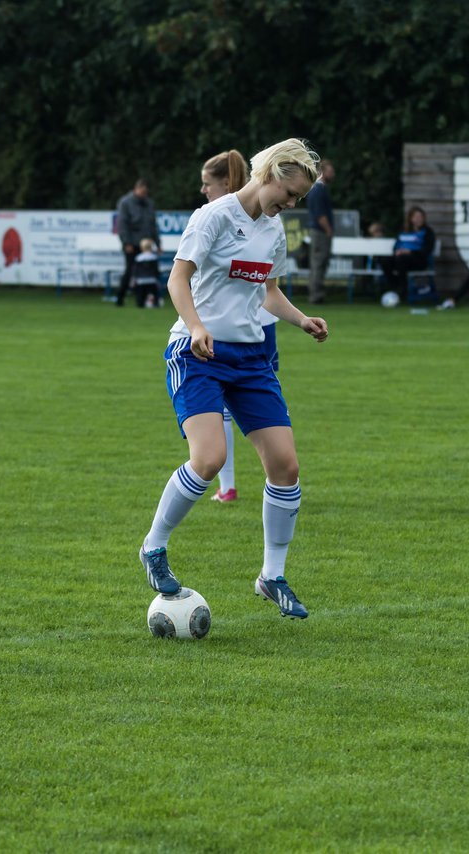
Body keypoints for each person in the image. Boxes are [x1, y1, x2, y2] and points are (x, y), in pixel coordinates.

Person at [139, 138, 328, 620]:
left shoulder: (273, 231)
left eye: (299, 199)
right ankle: (154, 547)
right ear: (267, 174)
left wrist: (301, 319)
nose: (290, 204)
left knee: (285, 466)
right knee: (209, 458)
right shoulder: (214, 217)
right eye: (289, 192)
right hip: (197, 352)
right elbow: (177, 280)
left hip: (249, 361)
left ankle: (272, 576)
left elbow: (268, 292)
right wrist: (198, 326)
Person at [197, 149, 277, 505]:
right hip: (256, 328)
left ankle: (231, 486)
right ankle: (232, 484)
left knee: (233, 411)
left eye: (206, 184)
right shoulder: (216, 216)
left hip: (245, 333)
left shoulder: (262, 222)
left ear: (226, 183)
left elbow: (269, 289)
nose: (204, 191)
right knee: (226, 416)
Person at [115, 178, 159, 307]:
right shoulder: (125, 203)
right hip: (132, 244)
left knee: (147, 274)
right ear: (136, 189)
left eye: (146, 192)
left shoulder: (149, 204)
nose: (144, 195)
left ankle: (143, 300)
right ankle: (120, 298)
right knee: (130, 272)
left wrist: (158, 243)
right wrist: (126, 242)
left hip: (146, 245)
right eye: (142, 191)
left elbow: (153, 225)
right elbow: (122, 225)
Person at [379, 207, 436, 296]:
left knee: (402, 259)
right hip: (401, 259)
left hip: (418, 260)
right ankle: (395, 286)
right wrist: (397, 251)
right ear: (410, 218)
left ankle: (403, 289)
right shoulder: (403, 231)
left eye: (421, 217)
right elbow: (395, 246)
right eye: (416, 217)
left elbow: (427, 250)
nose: (419, 219)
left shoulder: (428, 232)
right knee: (385, 260)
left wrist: (410, 252)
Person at [304, 159, 335, 305]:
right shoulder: (318, 190)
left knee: (320, 262)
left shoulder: (319, 189)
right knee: (318, 262)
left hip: (319, 231)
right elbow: (320, 214)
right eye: (330, 170)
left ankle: (318, 294)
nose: (333, 173)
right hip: (320, 232)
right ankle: (316, 295)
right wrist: (328, 230)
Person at [132, 238, 163, 308]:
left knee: (140, 296)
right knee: (154, 294)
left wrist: (134, 279)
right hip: (152, 280)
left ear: (141, 247)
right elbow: (156, 270)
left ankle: (140, 304)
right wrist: (157, 279)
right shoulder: (154, 257)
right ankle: (155, 303)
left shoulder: (138, 258)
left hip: (140, 281)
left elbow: (135, 270)